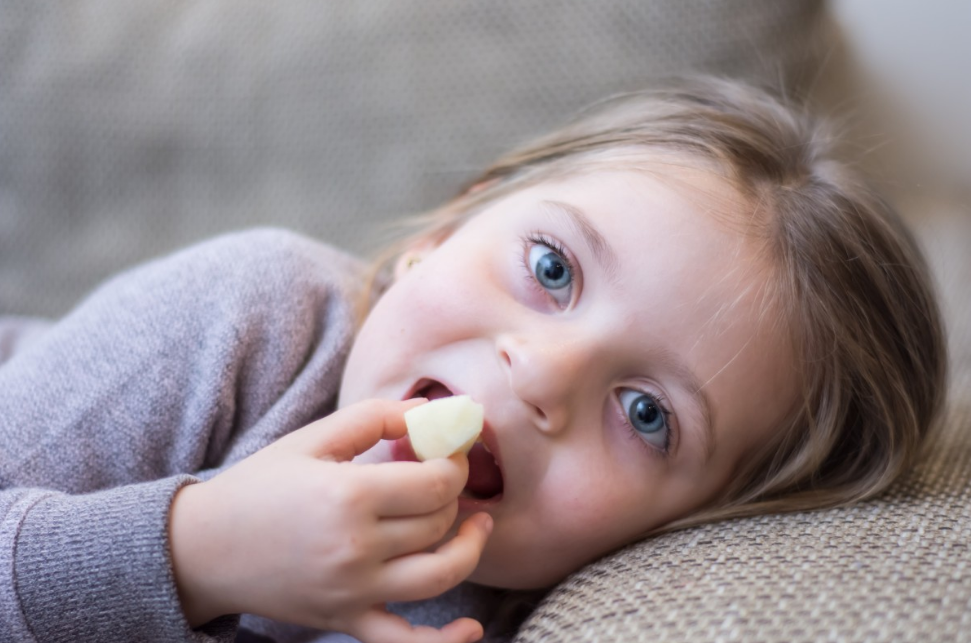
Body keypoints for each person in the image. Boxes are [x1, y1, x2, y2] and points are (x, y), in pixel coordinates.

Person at [0, 77, 947, 643]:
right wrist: (197, 552)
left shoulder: (484, 607)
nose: (540, 375)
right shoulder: (250, 319)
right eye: (551, 267)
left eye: (646, 413)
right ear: (448, 230)